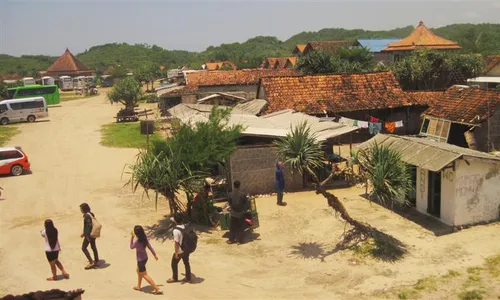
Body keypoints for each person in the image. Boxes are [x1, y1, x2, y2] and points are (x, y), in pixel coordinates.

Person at [130, 225, 162, 295]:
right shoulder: (145, 239)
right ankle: (138, 286)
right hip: (145, 258)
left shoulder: (137, 242)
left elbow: (131, 247)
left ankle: (156, 288)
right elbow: (150, 247)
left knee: (144, 275)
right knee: (138, 271)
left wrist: (132, 237)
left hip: (140, 260)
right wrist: (155, 255)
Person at [167, 213, 192, 283]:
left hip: (180, 250)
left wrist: (176, 253)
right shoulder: (184, 226)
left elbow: (176, 243)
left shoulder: (176, 231)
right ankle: (188, 277)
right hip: (186, 248)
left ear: (175, 221)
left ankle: (174, 278)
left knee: (174, 263)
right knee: (186, 263)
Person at [227, 180, 249, 244]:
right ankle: (240, 240)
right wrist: (243, 210)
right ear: (239, 186)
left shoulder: (230, 194)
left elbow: (230, 203)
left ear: (234, 186)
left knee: (232, 227)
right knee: (241, 227)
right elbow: (247, 204)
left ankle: (231, 240)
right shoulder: (243, 194)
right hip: (240, 213)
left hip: (233, 213)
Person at [79, 203, 99, 269]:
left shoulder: (87, 216)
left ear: (84, 209)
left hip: (90, 235)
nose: (80, 210)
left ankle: (91, 262)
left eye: (81, 209)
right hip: (93, 233)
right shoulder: (91, 213)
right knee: (93, 247)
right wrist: (83, 233)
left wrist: (86, 236)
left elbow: (88, 227)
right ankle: (96, 259)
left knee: (83, 248)